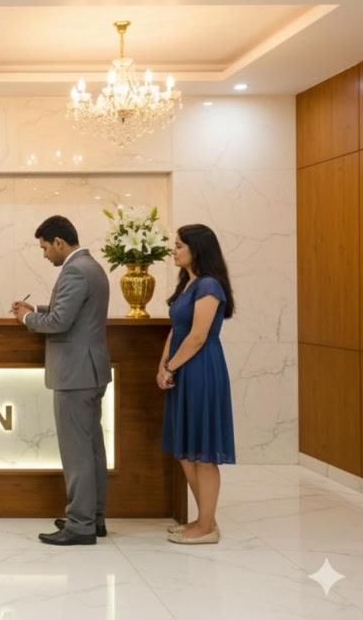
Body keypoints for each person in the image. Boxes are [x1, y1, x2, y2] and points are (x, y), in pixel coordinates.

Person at [11, 216, 112, 546]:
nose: (44, 255)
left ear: (59, 242)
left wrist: (27, 317)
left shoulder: (74, 270)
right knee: (92, 448)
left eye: (44, 248)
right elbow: (74, 311)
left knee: (77, 452)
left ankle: (80, 525)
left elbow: (59, 322)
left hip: (74, 374)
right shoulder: (91, 266)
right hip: (90, 371)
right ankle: (93, 517)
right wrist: (37, 307)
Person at [156, 224, 236, 545]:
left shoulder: (209, 286)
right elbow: (177, 329)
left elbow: (198, 336)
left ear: (197, 248)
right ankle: (206, 520)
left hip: (201, 369)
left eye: (179, 245)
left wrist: (171, 366)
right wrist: (163, 364)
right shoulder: (188, 283)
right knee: (186, 451)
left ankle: (206, 528)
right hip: (182, 368)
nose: (173, 250)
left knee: (203, 452)